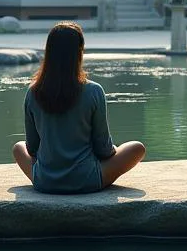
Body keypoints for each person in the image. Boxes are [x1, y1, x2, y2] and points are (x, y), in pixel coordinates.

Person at [13, 21, 145, 193]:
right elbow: (103, 150)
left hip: (45, 181)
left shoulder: (33, 92)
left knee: (18, 147)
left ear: (49, 52)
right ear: (79, 52)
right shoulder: (94, 91)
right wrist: (113, 152)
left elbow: (31, 148)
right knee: (137, 148)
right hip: (87, 180)